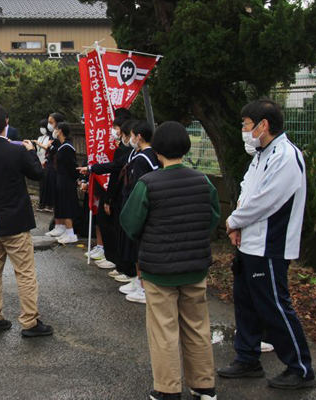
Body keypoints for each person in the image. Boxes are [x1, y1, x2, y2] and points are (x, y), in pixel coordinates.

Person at [217, 99, 316, 390]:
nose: (244, 130)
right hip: (250, 242)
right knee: (246, 303)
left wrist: (234, 221)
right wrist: (237, 225)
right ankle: (247, 358)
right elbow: (247, 191)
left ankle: (300, 368)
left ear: (264, 125)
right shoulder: (262, 154)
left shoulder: (286, 156)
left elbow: (266, 201)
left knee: (274, 306)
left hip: (270, 245)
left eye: (247, 125)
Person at [120, 121, 220, 400]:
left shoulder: (148, 183)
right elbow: (212, 218)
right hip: (195, 266)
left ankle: (167, 389)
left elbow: (130, 223)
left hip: (159, 269)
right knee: (198, 326)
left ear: (158, 150)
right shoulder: (203, 180)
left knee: (164, 330)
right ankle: (204, 386)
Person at [0, 102, 53, 337]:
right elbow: (37, 174)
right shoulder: (17, 151)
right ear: (6, 122)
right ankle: (30, 322)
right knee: (25, 272)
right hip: (14, 218)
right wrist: (30, 152)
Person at [78, 114, 132, 273]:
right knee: (105, 223)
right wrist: (90, 169)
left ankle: (123, 266)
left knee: (116, 229)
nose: (113, 131)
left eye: (115, 128)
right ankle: (116, 260)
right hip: (115, 194)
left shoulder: (128, 152)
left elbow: (115, 171)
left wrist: (109, 198)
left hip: (120, 195)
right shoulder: (122, 149)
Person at [116, 121, 159, 304]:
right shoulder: (148, 155)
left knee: (138, 248)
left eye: (132, 135)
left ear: (138, 137)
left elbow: (138, 186)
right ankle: (139, 283)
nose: (131, 138)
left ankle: (143, 287)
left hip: (140, 207)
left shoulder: (143, 158)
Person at [50, 122, 81, 244]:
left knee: (67, 205)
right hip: (61, 178)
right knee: (62, 204)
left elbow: (72, 166)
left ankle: (71, 233)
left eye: (56, 129)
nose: (54, 131)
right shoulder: (63, 146)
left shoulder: (67, 147)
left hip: (66, 180)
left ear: (60, 131)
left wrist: (76, 179)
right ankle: (66, 231)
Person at [34, 119, 52, 212]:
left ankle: (49, 204)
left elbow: (47, 148)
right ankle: (41, 203)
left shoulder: (50, 138)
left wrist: (38, 143)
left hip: (46, 161)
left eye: (43, 127)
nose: (42, 129)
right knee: (41, 184)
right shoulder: (40, 137)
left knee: (47, 183)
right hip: (39, 161)